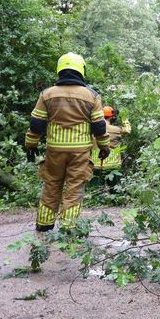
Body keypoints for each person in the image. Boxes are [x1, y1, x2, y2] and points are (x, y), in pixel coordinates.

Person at [25, 53, 110, 231]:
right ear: (81, 70)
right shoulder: (92, 96)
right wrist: (104, 147)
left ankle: (44, 224)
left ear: (60, 69)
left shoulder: (47, 94)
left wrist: (31, 145)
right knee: (75, 187)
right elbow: (99, 127)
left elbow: (36, 124)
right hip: (80, 152)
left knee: (51, 184)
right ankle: (69, 227)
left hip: (54, 150)